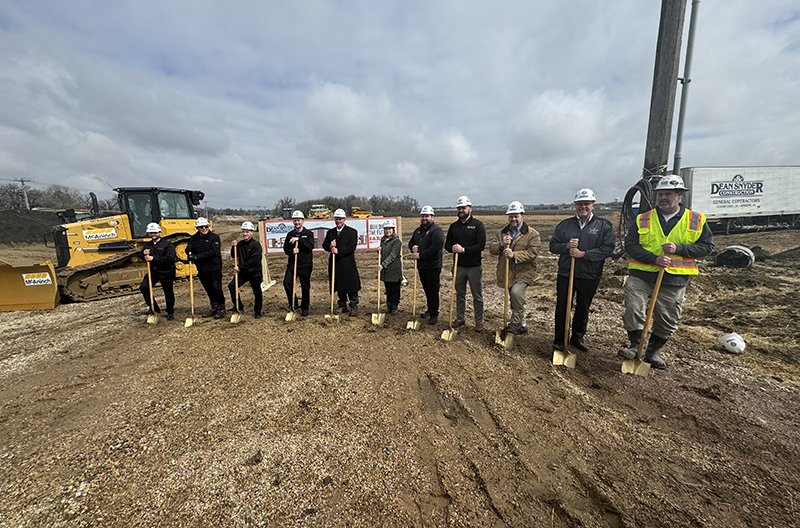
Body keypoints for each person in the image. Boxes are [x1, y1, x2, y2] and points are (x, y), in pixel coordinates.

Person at [618, 175, 714, 369]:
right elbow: (630, 245)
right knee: (634, 307)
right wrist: (654, 259)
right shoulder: (643, 218)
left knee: (668, 318)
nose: (663, 197)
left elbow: (707, 247)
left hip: (674, 278)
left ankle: (653, 351)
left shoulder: (695, 220)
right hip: (642, 274)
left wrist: (679, 249)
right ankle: (635, 346)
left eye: (667, 194)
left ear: (679, 195)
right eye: (660, 194)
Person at [549, 189, 616, 351]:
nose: (583, 207)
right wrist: (566, 246)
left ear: (593, 205)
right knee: (563, 306)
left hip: (590, 274)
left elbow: (607, 249)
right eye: (580, 204)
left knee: (583, 308)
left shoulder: (604, 226)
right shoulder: (565, 225)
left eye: (586, 204)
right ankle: (560, 339)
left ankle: (577, 338)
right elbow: (552, 246)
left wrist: (583, 254)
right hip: (566, 273)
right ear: (575, 205)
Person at [489, 201, 540, 335]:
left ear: (522, 216)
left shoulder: (532, 234)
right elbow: (492, 249)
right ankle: (522, 325)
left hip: (524, 272)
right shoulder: (502, 233)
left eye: (516, 216)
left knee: (516, 293)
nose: (513, 219)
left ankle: (516, 323)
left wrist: (514, 255)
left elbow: (533, 253)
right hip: (507, 271)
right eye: (511, 216)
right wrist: (501, 245)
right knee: (514, 296)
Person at [444, 195, 487, 332]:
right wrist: (452, 248)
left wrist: (463, 250)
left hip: (474, 266)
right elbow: (447, 245)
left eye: (464, 207)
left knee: (477, 295)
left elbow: (481, 246)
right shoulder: (454, 226)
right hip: (458, 266)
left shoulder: (478, 225)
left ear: (470, 208)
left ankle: (479, 321)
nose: (461, 210)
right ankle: (460, 318)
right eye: (459, 208)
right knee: (460, 294)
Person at [408, 205, 445, 325]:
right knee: (427, 290)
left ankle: (434, 314)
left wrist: (421, 255)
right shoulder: (418, 231)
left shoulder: (437, 231)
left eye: (427, 216)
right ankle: (430, 310)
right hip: (422, 266)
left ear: (432, 217)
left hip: (433, 266)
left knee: (433, 290)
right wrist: (412, 247)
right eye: (423, 216)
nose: (424, 218)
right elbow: (411, 242)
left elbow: (435, 248)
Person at [323, 209, 361, 316]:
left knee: (351, 285)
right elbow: (324, 245)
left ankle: (353, 305)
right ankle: (342, 305)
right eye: (336, 219)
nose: (338, 221)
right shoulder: (331, 232)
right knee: (339, 284)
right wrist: (330, 246)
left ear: (344, 219)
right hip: (335, 263)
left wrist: (339, 251)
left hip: (347, 263)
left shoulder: (352, 232)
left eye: (340, 219)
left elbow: (352, 247)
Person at [185, 217, 226, 319]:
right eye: (201, 227)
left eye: (206, 226)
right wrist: (188, 250)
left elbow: (213, 252)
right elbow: (189, 249)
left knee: (217, 288)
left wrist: (196, 257)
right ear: (197, 228)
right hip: (202, 268)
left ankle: (221, 308)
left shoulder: (214, 238)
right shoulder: (193, 238)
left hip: (214, 267)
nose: (204, 228)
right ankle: (214, 307)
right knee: (209, 289)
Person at [139, 222, 176, 320]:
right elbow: (142, 257)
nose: (153, 234)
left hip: (166, 271)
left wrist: (153, 258)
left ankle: (170, 311)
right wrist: (143, 254)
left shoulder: (167, 245)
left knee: (168, 292)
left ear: (160, 232)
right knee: (144, 287)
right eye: (151, 233)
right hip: (154, 271)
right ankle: (153, 308)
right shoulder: (148, 245)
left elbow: (170, 258)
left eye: (155, 232)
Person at [228, 221, 264, 319]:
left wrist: (240, 268)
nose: (245, 234)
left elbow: (253, 260)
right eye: (244, 232)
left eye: (247, 232)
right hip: (243, 273)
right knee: (232, 286)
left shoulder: (256, 245)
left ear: (251, 232)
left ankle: (258, 311)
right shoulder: (240, 244)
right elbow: (234, 255)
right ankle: (238, 306)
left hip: (254, 272)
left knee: (257, 292)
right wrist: (233, 247)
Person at [283, 210, 314, 317]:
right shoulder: (290, 234)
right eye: (295, 221)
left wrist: (299, 240)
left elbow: (310, 246)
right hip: (292, 264)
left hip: (305, 264)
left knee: (305, 286)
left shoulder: (308, 234)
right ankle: (294, 303)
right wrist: (292, 251)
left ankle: (305, 307)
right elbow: (286, 249)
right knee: (287, 282)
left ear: (303, 221)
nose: (297, 222)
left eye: (299, 220)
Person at [379, 220, 402, 314]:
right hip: (386, 270)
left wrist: (383, 265)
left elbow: (392, 255)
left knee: (395, 290)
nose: (388, 231)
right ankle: (389, 306)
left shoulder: (397, 241)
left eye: (389, 229)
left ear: (393, 230)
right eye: (386, 229)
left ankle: (395, 306)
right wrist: (379, 251)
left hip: (394, 269)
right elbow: (384, 253)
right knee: (388, 290)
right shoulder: (383, 240)